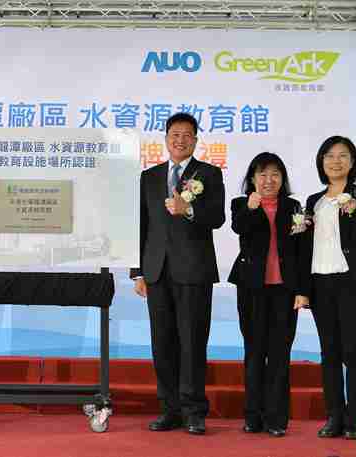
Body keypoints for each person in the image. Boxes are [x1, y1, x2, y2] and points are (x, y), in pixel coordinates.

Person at [131, 112, 225, 435]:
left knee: (193, 342)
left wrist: (190, 209)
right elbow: (141, 226)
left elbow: (217, 217)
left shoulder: (209, 174)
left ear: (195, 141)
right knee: (162, 343)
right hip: (156, 271)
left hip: (194, 270)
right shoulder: (150, 177)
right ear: (166, 139)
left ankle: (194, 412)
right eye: (175, 134)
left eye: (187, 135)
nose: (180, 140)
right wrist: (138, 272)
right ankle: (169, 409)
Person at [299, 136, 356, 440]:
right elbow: (305, 244)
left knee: (352, 350)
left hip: (354, 283)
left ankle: (354, 419)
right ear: (321, 162)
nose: (335, 161)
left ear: (352, 163)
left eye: (342, 156)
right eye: (329, 156)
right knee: (329, 353)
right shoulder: (313, 201)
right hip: (320, 282)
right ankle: (334, 416)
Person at [228, 152, 309, 437]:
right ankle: (253, 416)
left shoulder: (293, 206)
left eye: (275, 174)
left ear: (282, 179)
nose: (268, 180)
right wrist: (252, 208)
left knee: (279, 354)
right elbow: (239, 228)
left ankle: (276, 419)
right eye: (262, 174)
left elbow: (301, 250)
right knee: (254, 352)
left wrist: (302, 290)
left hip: (284, 290)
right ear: (252, 179)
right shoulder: (241, 204)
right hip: (252, 288)